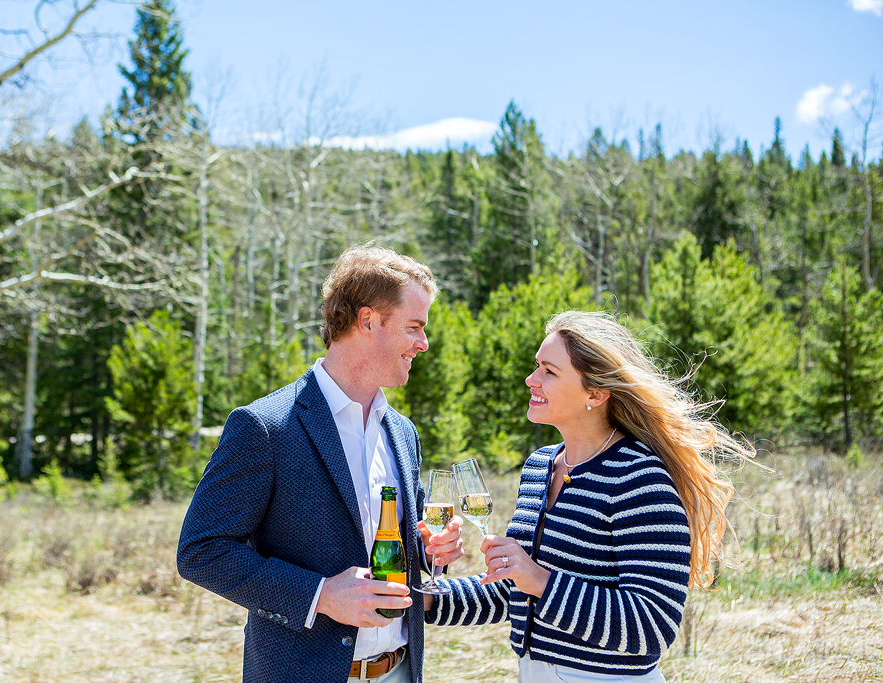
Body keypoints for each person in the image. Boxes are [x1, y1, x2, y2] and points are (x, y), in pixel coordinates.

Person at [177, 245, 464, 683]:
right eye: (414, 327)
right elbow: (201, 552)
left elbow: (401, 543)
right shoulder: (266, 427)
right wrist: (321, 595)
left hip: (402, 671)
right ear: (367, 321)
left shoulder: (402, 432)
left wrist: (431, 550)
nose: (424, 343)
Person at [425, 310, 752, 682]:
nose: (531, 380)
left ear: (595, 394)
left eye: (549, 371)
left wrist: (540, 580)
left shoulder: (639, 477)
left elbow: (651, 629)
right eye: (537, 366)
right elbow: (516, 592)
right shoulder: (539, 466)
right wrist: (429, 599)